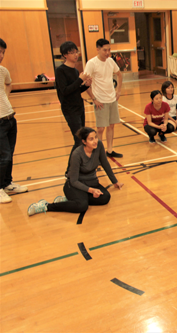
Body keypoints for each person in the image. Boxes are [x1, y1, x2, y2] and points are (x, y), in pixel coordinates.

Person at [27, 127, 124, 216]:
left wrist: (115, 181)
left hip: (92, 183)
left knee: (105, 197)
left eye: (95, 137)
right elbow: (73, 181)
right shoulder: (77, 154)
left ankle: (71, 200)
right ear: (84, 141)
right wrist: (91, 190)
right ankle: (46, 206)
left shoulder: (99, 145)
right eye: (91, 139)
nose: (95, 141)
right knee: (82, 206)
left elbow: (105, 163)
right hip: (74, 185)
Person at [55, 41, 92, 174]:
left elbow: (75, 90)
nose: (76, 55)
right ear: (65, 55)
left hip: (79, 107)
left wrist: (86, 85)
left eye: (76, 51)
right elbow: (65, 91)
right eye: (72, 52)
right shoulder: (60, 71)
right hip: (70, 110)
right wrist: (79, 80)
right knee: (78, 140)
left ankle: (78, 167)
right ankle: (70, 170)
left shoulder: (75, 70)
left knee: (81, 140)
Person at [85, 39, 123, 158]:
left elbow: (119, 74)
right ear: (98, 49)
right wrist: (93, 98)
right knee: (100, 129)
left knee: (111, 126)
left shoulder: (111, 61)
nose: (107, 53)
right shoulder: (92, 63)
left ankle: (110, 151)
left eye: (109, 50)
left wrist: (118, 91)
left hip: (112, 99)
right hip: (100, 101)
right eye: (105, 50)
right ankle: (98, 154)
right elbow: (85, 82)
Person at [0, 38, 28, 204]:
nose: (1, 55)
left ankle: (7, 183)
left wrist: (5, 99)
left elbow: (8, 85)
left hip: (10, 118)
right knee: (3, 156)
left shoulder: (3, 71)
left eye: (3, 52)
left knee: (9, 155)